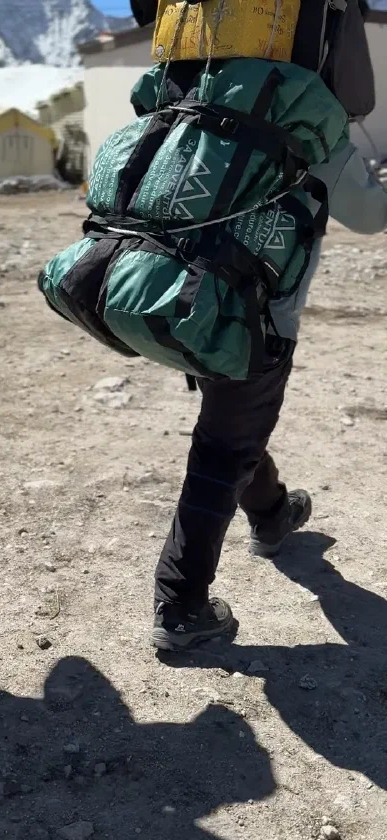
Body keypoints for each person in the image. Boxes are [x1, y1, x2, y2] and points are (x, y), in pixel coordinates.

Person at [152, 136, 387, 650]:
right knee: (225, 447)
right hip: (256, 325)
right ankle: (181, 606)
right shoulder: (320, 134)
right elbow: (372, 217)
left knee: (233, 424)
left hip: (181, 301)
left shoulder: (205, 118)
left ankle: (271, 513)